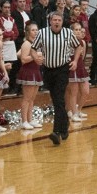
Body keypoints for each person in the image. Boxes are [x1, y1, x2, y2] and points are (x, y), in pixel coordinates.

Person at [31, 12, 82, 145]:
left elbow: (78, 47)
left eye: (59, 20)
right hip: (48, 70)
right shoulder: (42, 33)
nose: (57, 22)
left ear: (62, 21)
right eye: (54, 20)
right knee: (56, 100)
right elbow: (33, 48)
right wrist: (36, 57)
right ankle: (65, 125)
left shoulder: (68, 33)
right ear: (50, 21)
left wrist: (75, 61)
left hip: (62, 69)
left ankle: (57, 132)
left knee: (59, 99)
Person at [16, 21, 44, 130]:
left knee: (32, 98)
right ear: (28, 32)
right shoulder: (27, 43)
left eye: (36, 30)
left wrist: (40, 59)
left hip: (36, 71)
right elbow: (23, 59)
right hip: (28, 72)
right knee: (27, 98)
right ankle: (24, 121)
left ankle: (30, 119)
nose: (35, 32)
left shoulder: (37, 43)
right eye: (33, 30)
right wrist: (36, 56)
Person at [66, 20, 90, 123]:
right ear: (71, 31)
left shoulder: (83, 42)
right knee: (73, 92)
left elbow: (82, 57)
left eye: (80, 30)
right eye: (76, 30)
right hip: (71, 66)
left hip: (80, 66)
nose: (78, 31)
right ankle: (73, 112)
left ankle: (79, 110)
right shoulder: (67, 41)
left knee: (85, 91)